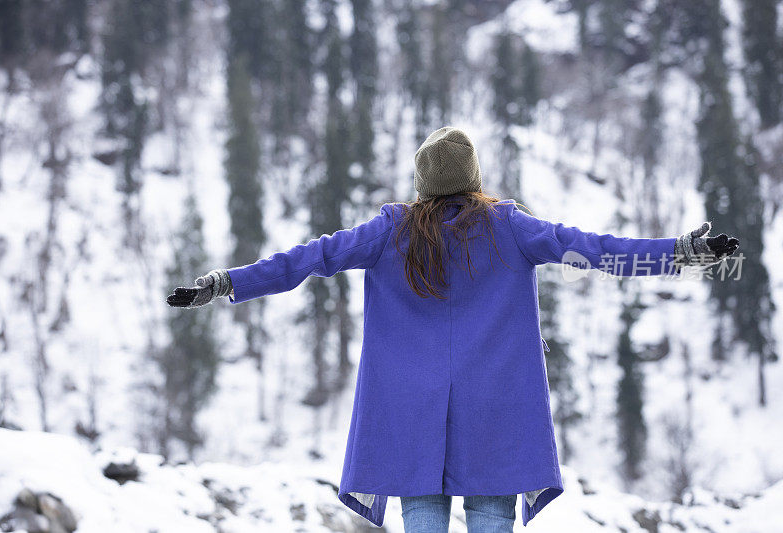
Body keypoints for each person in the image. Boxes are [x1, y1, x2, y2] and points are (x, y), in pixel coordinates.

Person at [167, 126, 739, 532]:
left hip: (411, 413)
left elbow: (304, 260)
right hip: (495, 405)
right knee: (492, 521)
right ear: (473, 178)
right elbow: (595, 250)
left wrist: (225, 283)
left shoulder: (388, 232)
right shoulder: (508, 227)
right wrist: (679, 253)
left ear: (422, 183)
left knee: (423, 523)